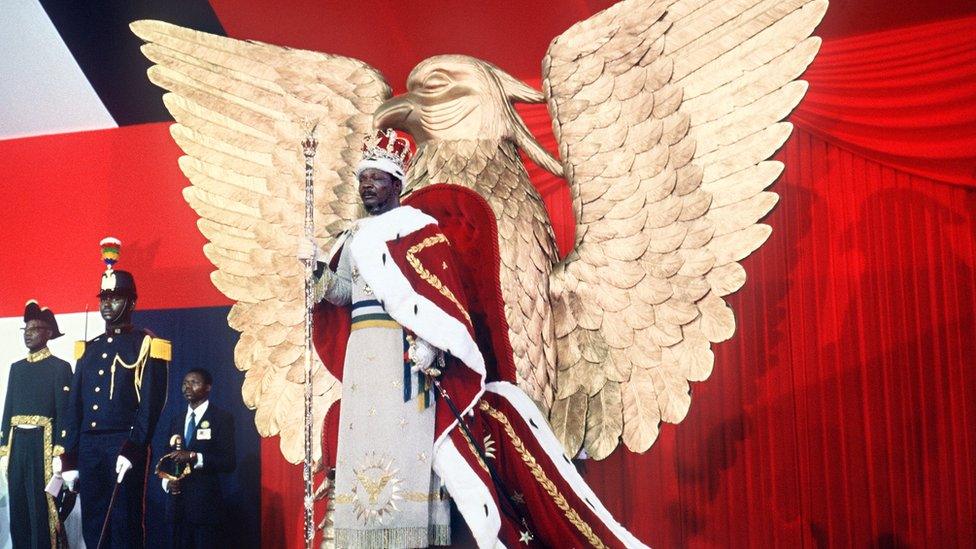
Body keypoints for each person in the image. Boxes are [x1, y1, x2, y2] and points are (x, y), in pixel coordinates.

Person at [304, 129, 646, 548]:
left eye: (375, 178)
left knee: (413, 455)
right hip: (363, 359)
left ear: (396, 183)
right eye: (363, 179)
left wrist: (433, 342)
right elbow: (341, 293)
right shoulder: (353, 236)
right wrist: (316, 270)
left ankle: (415, 536)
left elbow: (442, 296)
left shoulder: (417, 228)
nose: (366, 186)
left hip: (403, 359)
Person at [60, 238, 171, 548]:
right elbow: (74, 407)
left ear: (131, 303)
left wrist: (134, 447)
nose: (107, 304)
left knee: (124, 521)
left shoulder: (147, 344)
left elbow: (151, 404)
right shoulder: (89, 349)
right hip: (89, 446)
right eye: (104, 297)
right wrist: (69, 457)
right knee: (94, 522)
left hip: (121, 443)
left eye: (115, 297)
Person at [0, 301, 72, 549]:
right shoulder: (16, 368)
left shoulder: (60, 368)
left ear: (48, 333)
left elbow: (65, 412)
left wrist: (60, 451)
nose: (29, 332)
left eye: (35, 328)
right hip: (17, 443)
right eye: (26, 328)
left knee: (41, 506)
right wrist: (3, 447)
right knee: (18, 505)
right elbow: (8, 409)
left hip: (43, 444)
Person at [160, 368, 236, 549]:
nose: (188, 387)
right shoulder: (176, 420)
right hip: (177, 507)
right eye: (185, 383)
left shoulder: (221, 418)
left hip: (205, 508)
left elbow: (228, 462)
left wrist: (195, 457)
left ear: (208, 387)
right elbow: (166, 457)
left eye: (194, 383)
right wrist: (167, 483)